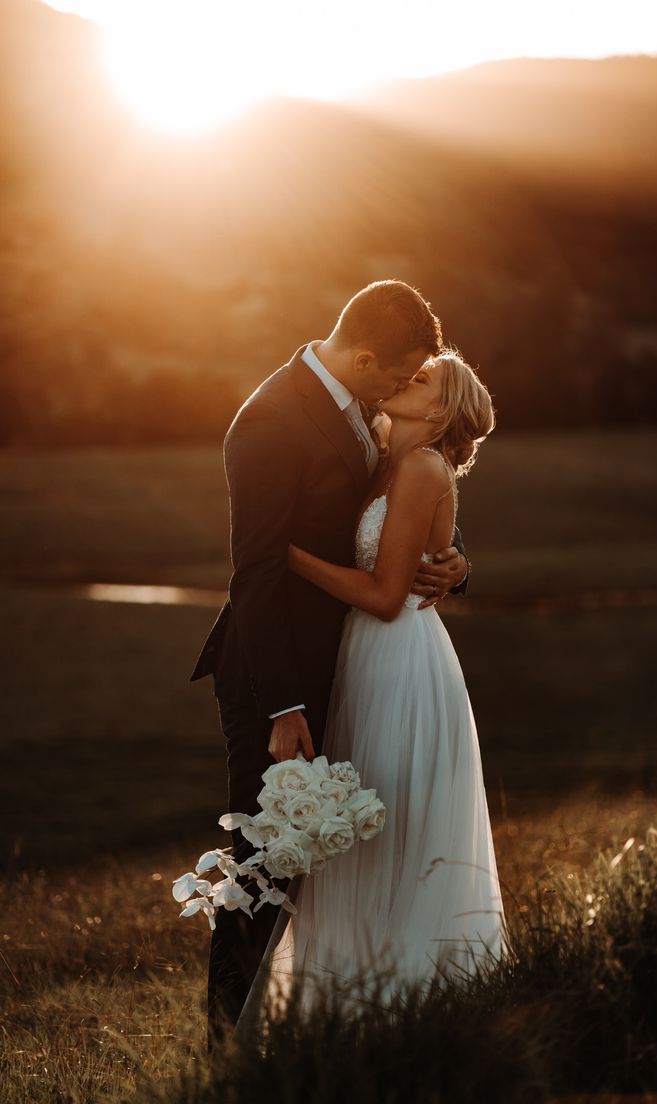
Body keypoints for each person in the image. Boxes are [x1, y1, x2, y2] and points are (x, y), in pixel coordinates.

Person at [188, 280, 470, 1048]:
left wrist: (452, 566)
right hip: (268, 680)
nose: (401, 389)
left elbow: (392, 521)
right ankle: (223, 1049)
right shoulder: (269, 420)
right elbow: (255, 573)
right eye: (399, 374)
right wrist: (283, 709)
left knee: (308, 862)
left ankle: (311, 1026)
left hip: (339, 670)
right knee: (263, 862)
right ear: (368, 356)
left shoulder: (361, 415)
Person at [236, 349, 506, 1030]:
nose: (405, 380)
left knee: (386, 832)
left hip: (397, 656)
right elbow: (420, 541)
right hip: (360, 657)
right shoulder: (387, 453)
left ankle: (400, 1011)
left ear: (441, 409)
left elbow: (387, 595)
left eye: (422, 380)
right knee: (357, 835)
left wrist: (288, 555)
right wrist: (455, 556)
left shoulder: (418, 465)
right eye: (405, 369)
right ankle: (345, 1005)